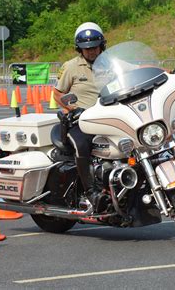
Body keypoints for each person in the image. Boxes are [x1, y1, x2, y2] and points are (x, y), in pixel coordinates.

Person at [53, 22, 109, 213]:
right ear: (80, 49)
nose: (91, 51)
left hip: (110, 117)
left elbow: (137, 68)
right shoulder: (71, 67)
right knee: (82, 144)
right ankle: (91, 191)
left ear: (102, 45)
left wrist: (165, 74)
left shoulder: (111, 63)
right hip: (82, 121)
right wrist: (73, 108)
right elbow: (58, 93)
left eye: (94, 47)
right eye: (87, 48)